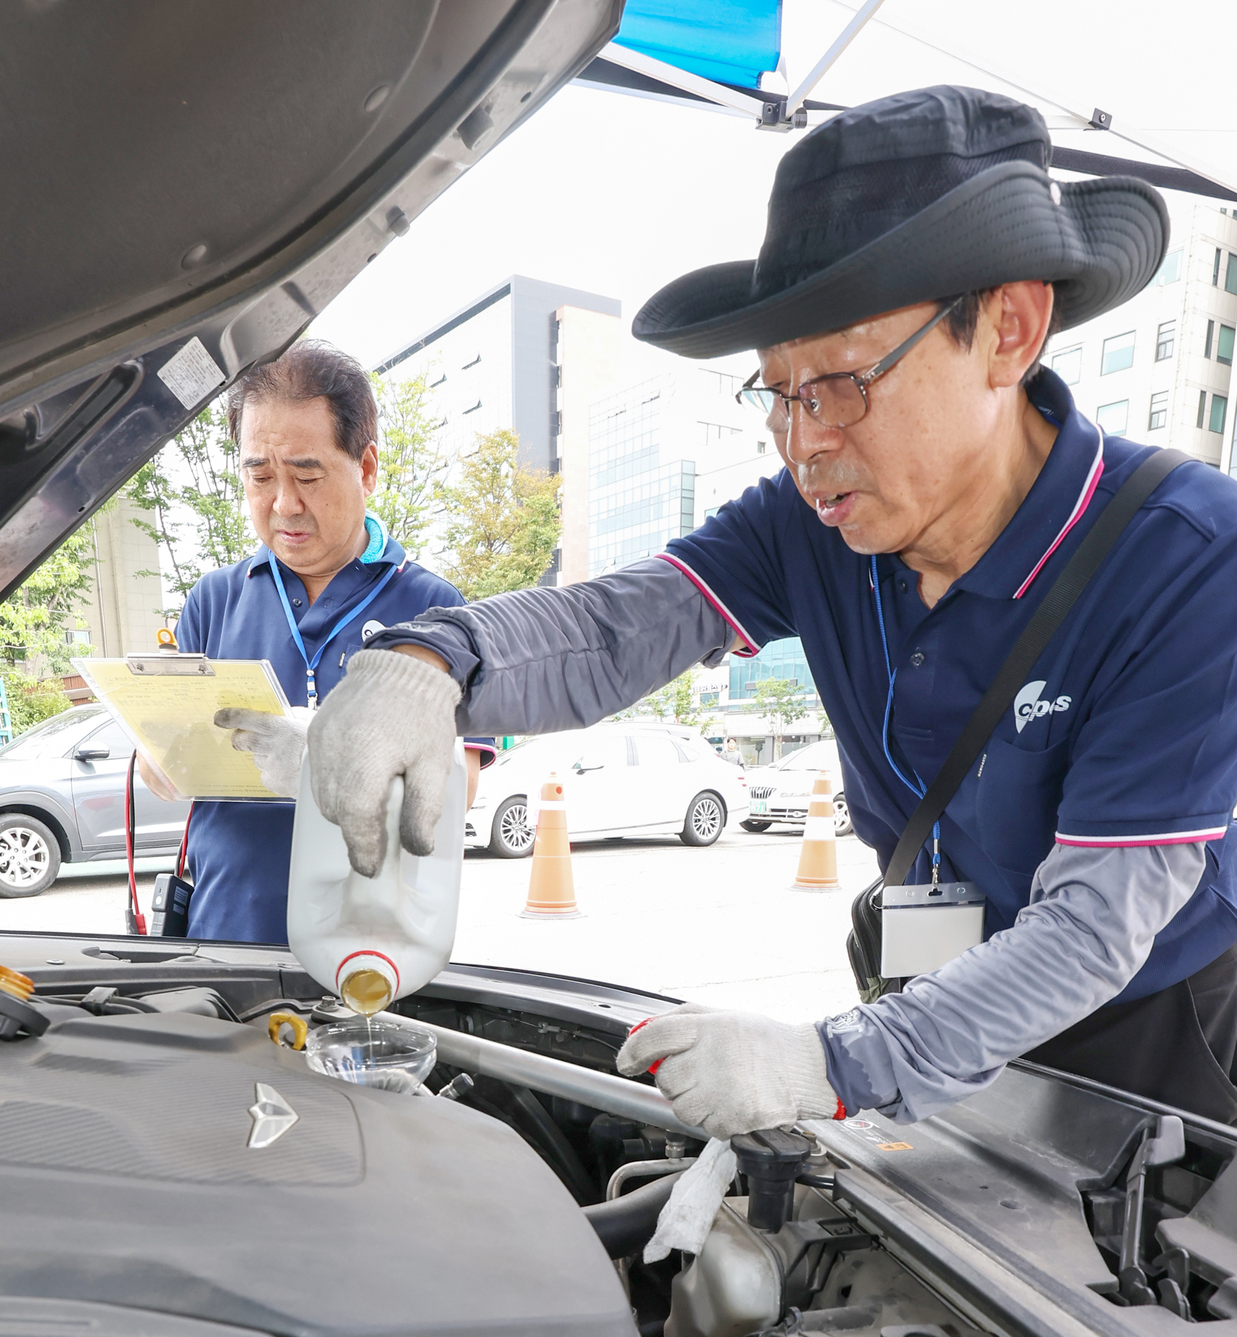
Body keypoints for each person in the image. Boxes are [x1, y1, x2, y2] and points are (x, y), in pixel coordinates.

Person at [235, 87, 1237, 1129]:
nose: (803, 441)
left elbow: (1093, 929)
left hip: (1143, 1027)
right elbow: (627, 622)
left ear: (1007, 329)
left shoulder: (1187, 558)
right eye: (778, 393)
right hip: (924, 987)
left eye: (841, 382)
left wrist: (835, 1066)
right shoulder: (817, 522)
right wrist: (427, 664)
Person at [151, 342, 489, 943]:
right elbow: (166, 754)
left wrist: (312, 765)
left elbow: (453, 794)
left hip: (371, 949)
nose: (284, 503)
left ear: (366, 468)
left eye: (307, 474)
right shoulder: (214, 599)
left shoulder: (436, 611)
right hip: (225, 936)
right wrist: (155, 758)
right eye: (260, 475)